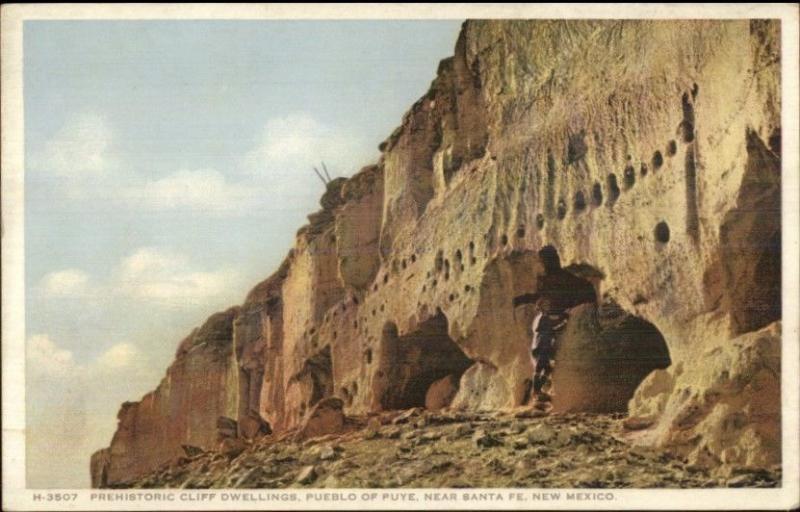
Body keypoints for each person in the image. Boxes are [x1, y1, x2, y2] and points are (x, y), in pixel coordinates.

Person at [530, 298, 567, 405]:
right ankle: (536, 392)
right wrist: (564, 321)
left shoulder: (541, 317)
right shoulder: (542, 317)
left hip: (541, 346)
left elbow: (552, 324)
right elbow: (552, 326)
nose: (548, 306)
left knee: (547, 369)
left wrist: (561, 320)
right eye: (546, 305)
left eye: (548, 304)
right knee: (540, 368)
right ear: (541, 306)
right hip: (541, 346)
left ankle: (538, 391)